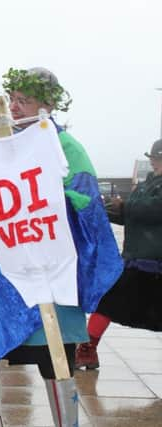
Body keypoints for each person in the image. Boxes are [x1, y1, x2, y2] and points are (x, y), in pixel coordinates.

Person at [0, 68, 123, 426]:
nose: (16, 107)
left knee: (55, 357)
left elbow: (87, 205)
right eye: (13, 99)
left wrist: (47, 201)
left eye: (25, 100)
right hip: (1, 275)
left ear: (47, 105)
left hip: (49, 273)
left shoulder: (65, 146)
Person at [76, 139, 162, 370]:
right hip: (137, 260)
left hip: (155, 262)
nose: (154, 162)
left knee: (108, 302)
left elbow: (155, 210)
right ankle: (87, 349)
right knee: (107, 302)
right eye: (153, 157)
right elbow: (133, 216)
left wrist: (125, 207)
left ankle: (87, 349)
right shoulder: (147, 185)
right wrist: (107, 212)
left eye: (158, 158)